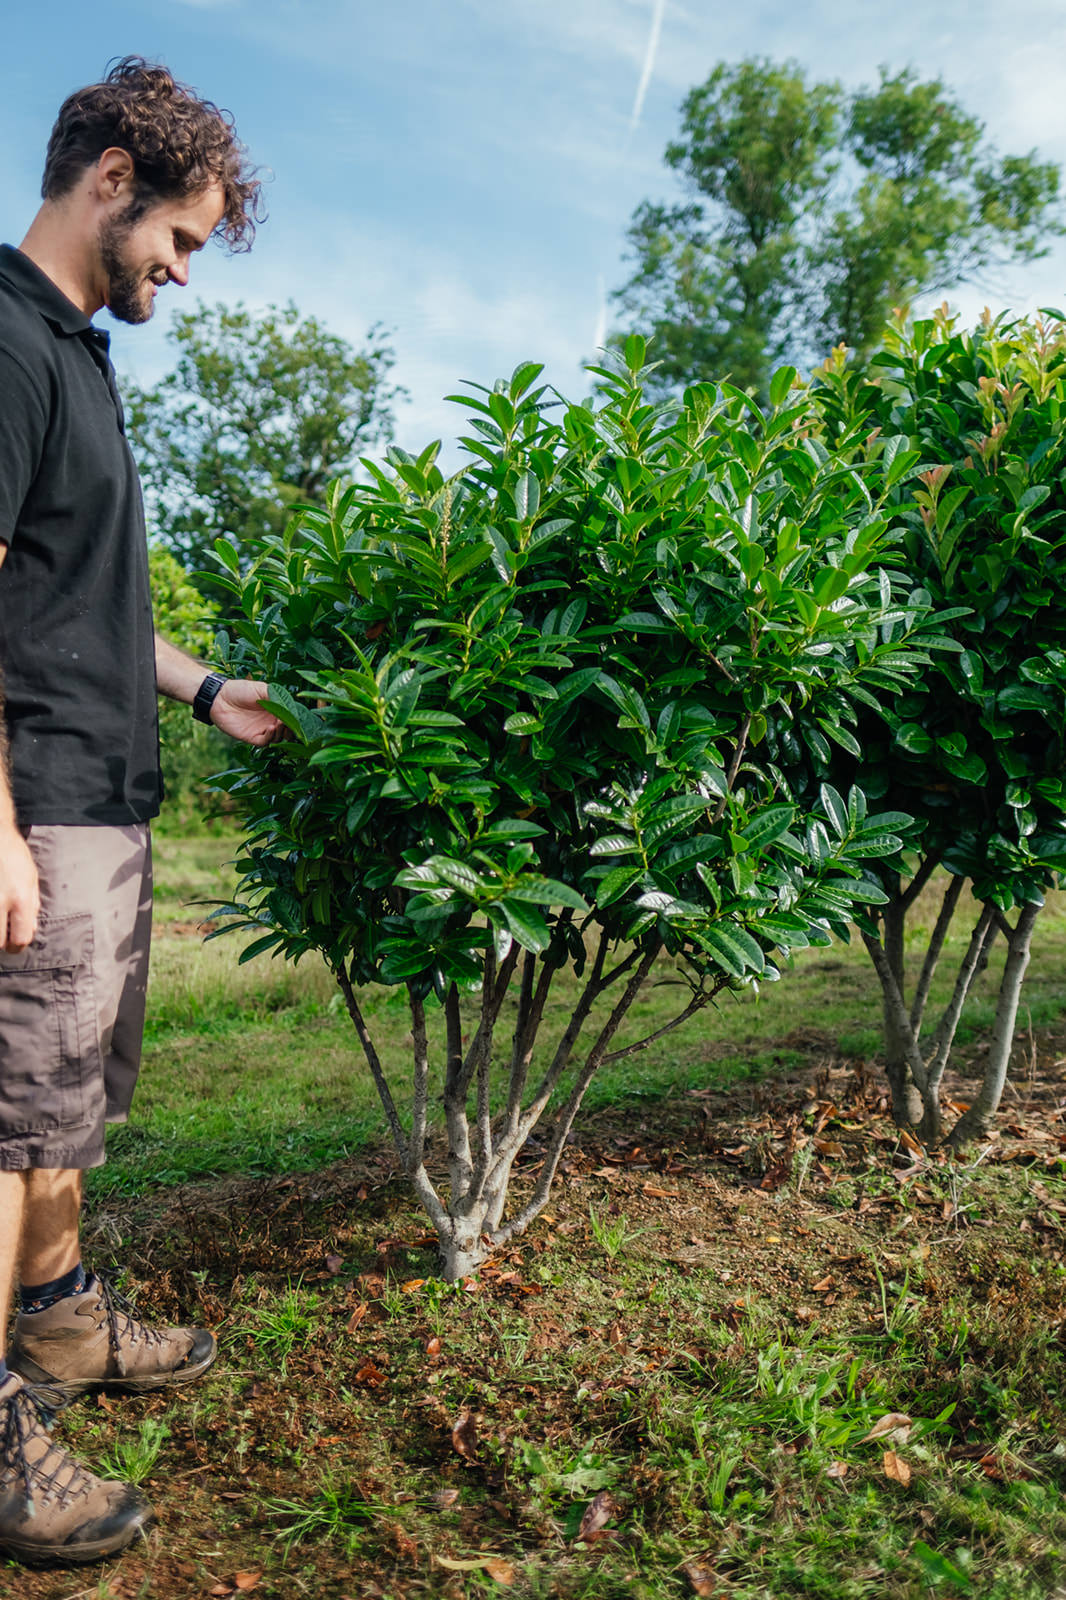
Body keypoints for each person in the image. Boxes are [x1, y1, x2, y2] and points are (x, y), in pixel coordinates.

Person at [0, 58, 282, 1565]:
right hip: (34, 804)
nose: (176, 275)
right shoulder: (4, 341)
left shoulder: (72, 352)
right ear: (112, 178)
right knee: (1, 1125)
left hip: (106, 798)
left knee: (60, 1110)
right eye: (177, 240)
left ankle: (57, 1327)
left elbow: (79, 602)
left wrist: (203, 688)